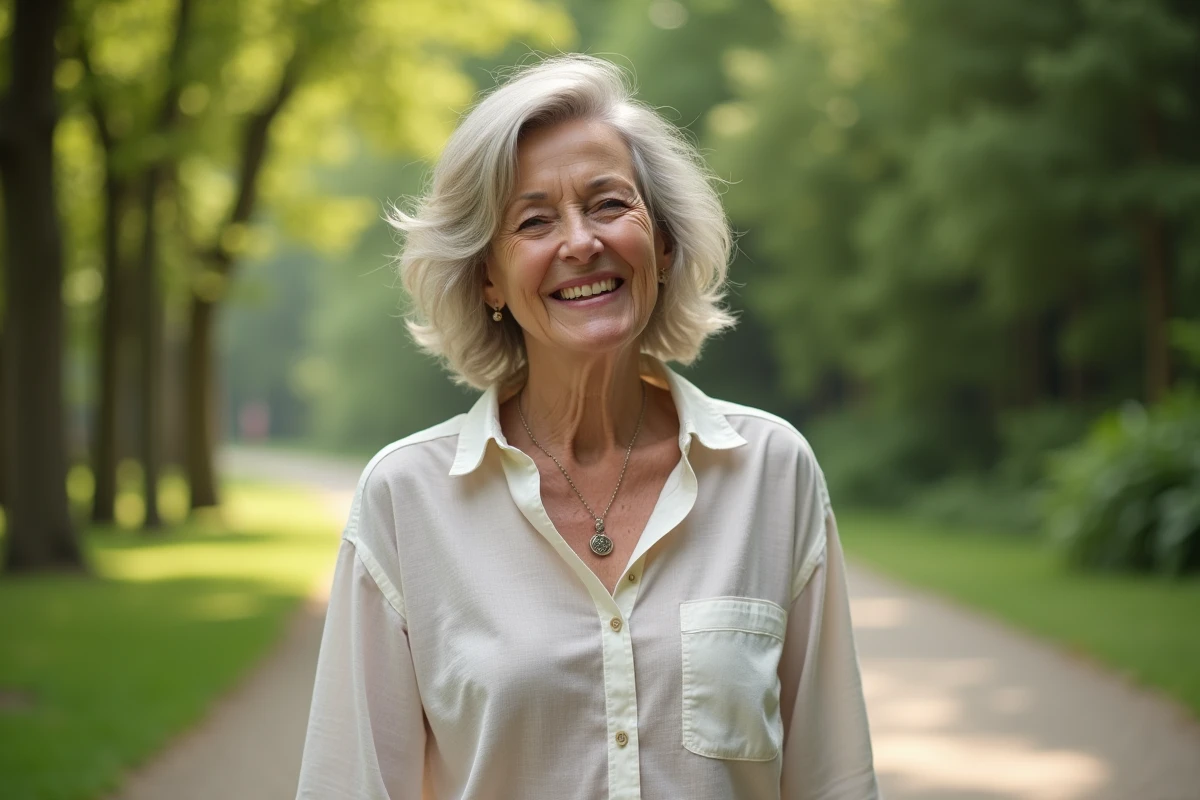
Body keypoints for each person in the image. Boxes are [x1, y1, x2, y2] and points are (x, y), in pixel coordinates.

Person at [296, 54, 879, 800]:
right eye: (535, 221)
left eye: (608, 205)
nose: (580, 242)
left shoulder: (772, 470)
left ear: (662, 245)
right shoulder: (407, 499)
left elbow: (835, 779)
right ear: (488, 278)